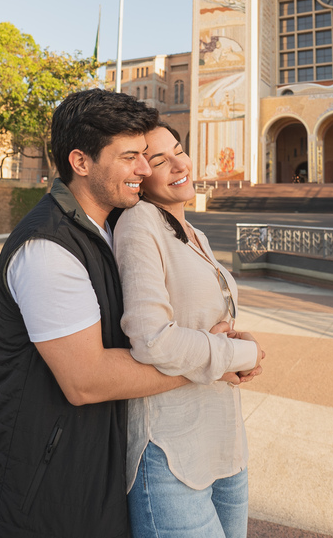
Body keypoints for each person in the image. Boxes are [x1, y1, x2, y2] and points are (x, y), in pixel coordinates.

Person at [0, 90, 238, 537]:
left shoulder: (105, 229)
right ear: (80, 162)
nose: (143, 169)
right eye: (130, 157)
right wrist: (217, 359)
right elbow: (87, 379)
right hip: (45, 485)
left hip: (94, 465)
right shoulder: (48, 247)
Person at [114, 122, 266, 538]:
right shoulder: (139, 224)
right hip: (171, 453)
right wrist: (237, 356)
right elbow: (152, 338)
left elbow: (205, 321)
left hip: (225, 442)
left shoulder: (194, 232)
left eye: (179, 150)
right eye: (160, 160)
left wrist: (239, 338)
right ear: (142, 175)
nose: (179, 163)